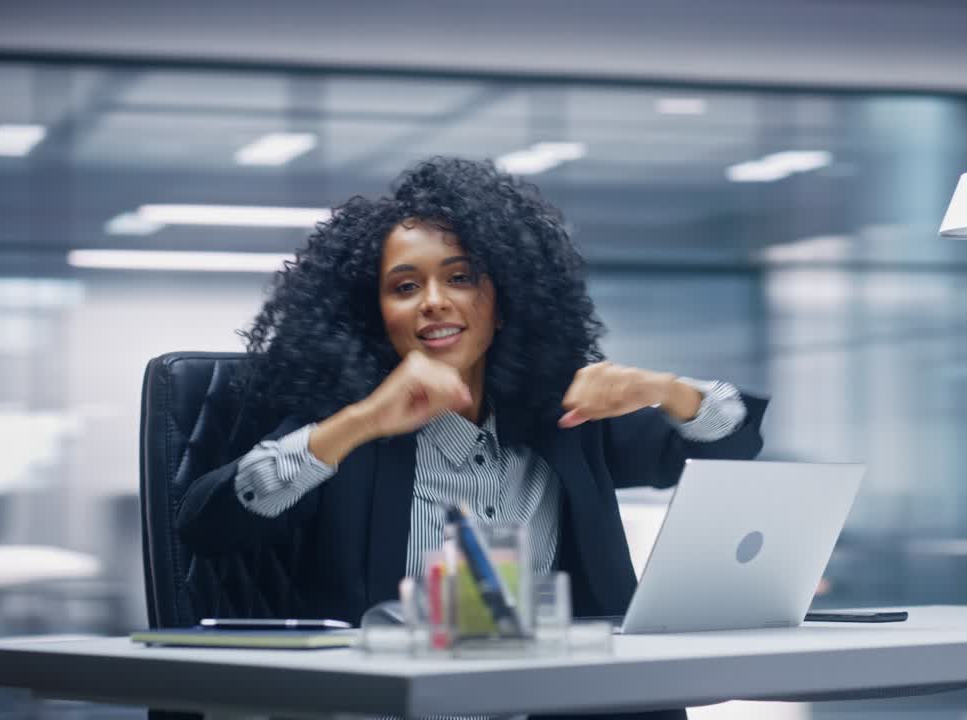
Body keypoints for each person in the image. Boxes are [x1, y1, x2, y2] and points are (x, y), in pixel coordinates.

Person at [176, 157, 767, 720]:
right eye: (405, 287)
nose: (434, 301)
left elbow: (729, 442)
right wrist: (359, 422)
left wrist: (667, 390)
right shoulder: (349, 427)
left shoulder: (562, 420)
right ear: (376, 314)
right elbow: (208, 525)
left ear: (503, 301)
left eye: (460, 278)